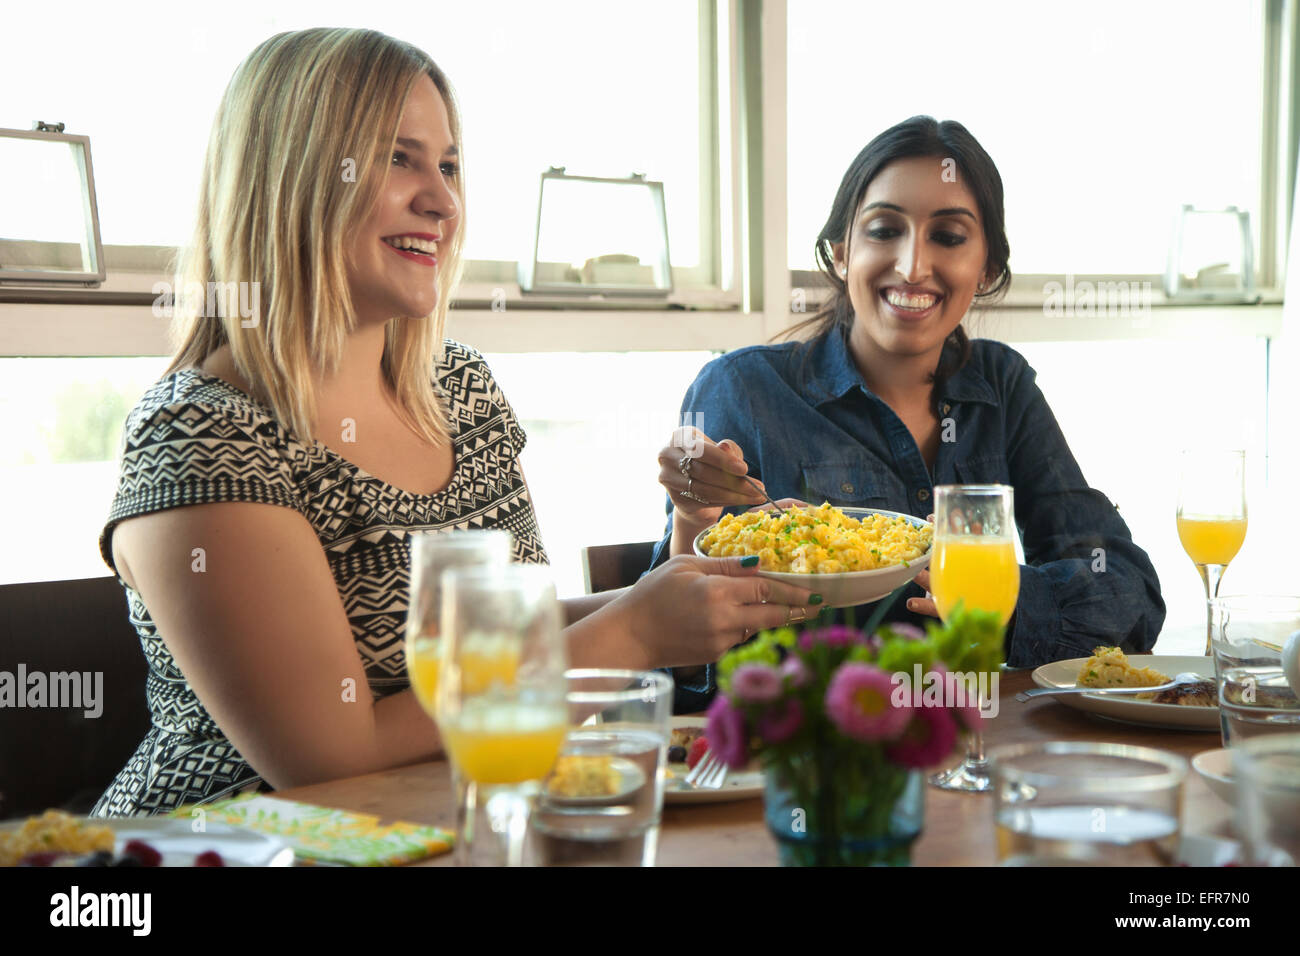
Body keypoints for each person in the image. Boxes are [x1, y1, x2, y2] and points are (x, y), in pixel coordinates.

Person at [93, 28, 813, 817]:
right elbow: (333, 755)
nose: (440, 200)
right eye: (397, 158)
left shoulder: (460, 389)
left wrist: (683, 585)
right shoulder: (204, 432)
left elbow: (514, 640)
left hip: (456, 830)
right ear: (291, 175)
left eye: (448, 165)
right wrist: (635, 633)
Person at [653, 116, 1164, 707]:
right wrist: (693, 522)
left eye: (948, 237)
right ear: (842, 254)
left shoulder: (1002, 388)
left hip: (972, 751)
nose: (913, 266)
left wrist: (995, 601)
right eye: (884, 230)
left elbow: (1128, 595)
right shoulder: (741, 389)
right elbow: (678, 670)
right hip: (810, 761)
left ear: (987, 268)